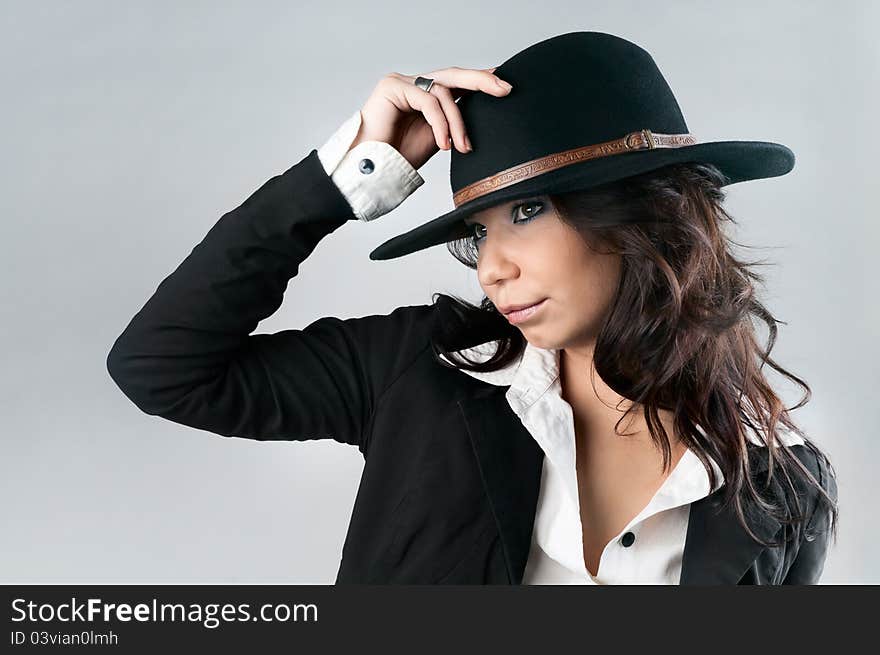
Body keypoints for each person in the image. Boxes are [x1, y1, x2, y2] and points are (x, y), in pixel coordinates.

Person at [107, 31, 839, 584]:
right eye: (478, 233)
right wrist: (345, 174)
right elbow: (162, 367)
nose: (492, 267)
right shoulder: (420, 372)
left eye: (526, 210)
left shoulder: (784, 488)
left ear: (647, 216)